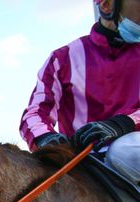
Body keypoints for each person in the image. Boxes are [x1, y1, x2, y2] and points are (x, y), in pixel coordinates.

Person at [20, 0, 140, 185]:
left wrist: (124, 123)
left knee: (123, 151)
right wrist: (46, 138)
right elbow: (35, 113)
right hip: (83, 166)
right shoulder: (62, 58)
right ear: (107, 5)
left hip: (131, 153)